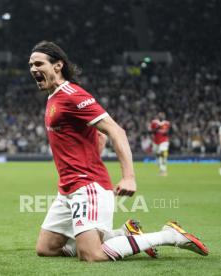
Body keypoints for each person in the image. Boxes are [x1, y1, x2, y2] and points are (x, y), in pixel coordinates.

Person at [29, 41, 208, 262]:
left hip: (87, 185)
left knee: (91, 255)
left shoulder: (72, 94)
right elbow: (100, 136)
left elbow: (115, 131)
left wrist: (129, 177)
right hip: (67, 188)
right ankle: (124, 234)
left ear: (58, 65)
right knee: (46, 248)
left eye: (38, 63)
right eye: (31, 65)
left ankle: (169, 235)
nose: (33, 69)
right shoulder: (53, 96)